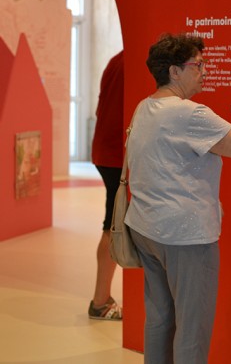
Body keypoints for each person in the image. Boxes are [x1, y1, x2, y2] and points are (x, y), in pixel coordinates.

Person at [125, 33, 231, 364]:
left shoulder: (145, 107)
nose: (204, 71)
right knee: (192, 330)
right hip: (185, 237)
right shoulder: (190, 114)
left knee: (159, 319)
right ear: (174, 71)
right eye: (197, 65)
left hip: (146, 228)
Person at [89, 50, 124, 320]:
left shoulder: (117, 60)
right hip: (117, 155)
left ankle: (102, 299)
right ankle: (100, 301)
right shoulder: (136, 61)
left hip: (106, 151)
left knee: (113, 223)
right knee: (113, 226)